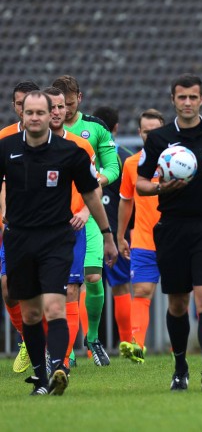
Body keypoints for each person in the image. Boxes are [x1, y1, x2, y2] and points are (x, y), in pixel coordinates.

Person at [0, 90, 117, 395]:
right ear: (21, 116)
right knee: (31, 314)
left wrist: (107, 235)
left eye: (42, 112)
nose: (37, 118)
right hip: (19, 239)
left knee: (56, 307)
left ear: (53, 113)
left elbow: (91, 193)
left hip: (56, 239)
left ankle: (60, 367)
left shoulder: (71, 152)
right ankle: (40, 378)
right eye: (31, 113)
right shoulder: (6, 148)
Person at [136, 74, 202, 392]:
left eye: (193, 97)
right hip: (172, 227)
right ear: (173, 100)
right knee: (178, 303)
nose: (188, 103)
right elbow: (139, 183)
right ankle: (181, 367)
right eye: (182, 98)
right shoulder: (159, 139)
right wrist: (160, 188)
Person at [53, 75, 120, 365]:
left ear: (79, 98)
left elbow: (113, 167)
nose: (64, 111)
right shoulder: (45, 128)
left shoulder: (95, 128)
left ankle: (92, 338)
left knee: (92, 277)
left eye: (69, 104)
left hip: (88, 215)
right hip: (55, 218)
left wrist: (92, 184)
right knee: (61, 287)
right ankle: (62, 351)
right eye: (59, 105)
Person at [117, 109, 165, 363]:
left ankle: (179, 347)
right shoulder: (132, 163)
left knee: (181, 298)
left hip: (176, 237)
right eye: (146, 131)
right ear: (139, 133)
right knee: (142, 290)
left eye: (155, 131)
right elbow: (126, 201)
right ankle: (137, 345)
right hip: (144, 238)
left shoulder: (178, 160)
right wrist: (121, 235)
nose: (150, 135)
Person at [1, 80, 40, 374]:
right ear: (16, 107)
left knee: (52, 293)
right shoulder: (4, 140)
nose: (25, 108)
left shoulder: (54, 141)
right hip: (11, 229)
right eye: (19, 103)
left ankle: (58, 355)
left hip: (47, 228)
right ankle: (27, 339)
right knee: (8, 288)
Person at [92, 105, 134, 354]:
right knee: (120, 287)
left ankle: (87, 347)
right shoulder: (124, 158)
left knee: (86, 286)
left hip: (88, 227)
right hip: (116, 230)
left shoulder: (83, 151)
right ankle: (127, 342)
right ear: (116, 128)